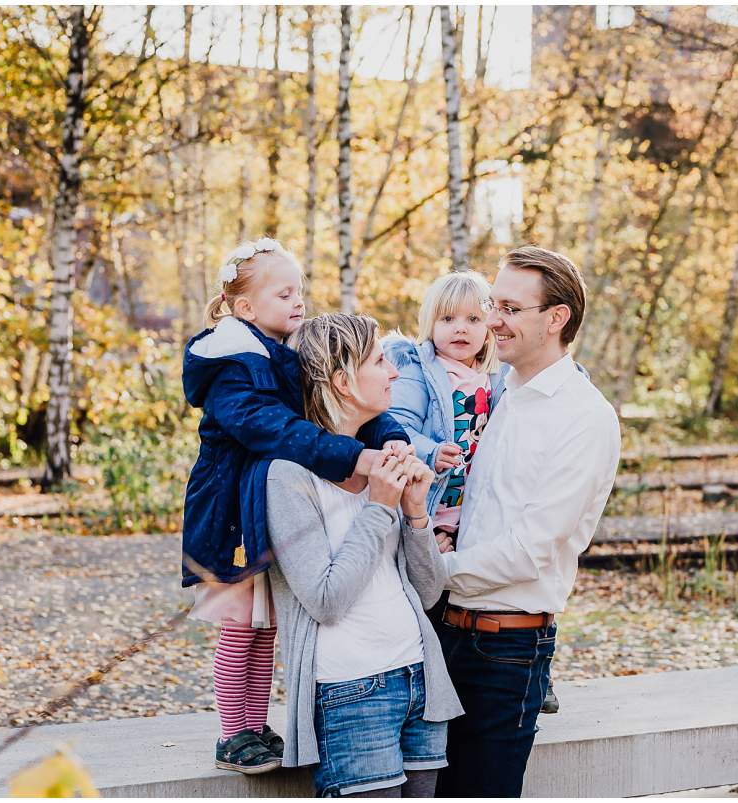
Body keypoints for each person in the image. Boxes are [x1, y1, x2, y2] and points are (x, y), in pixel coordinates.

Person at [180, 239, 411, 775]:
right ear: (244, 308)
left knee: (268, 626)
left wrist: (392, 435)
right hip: (232, 514)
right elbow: (276, 429)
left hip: (266, 508)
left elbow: (341, 402)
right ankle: (231, 732)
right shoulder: (232, 369)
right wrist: (353, 456)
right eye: (283, 293)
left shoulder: (284, 356)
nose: (297, 302)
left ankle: (255, 722)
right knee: (240, 627)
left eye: (299, 291)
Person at [417, 246, 622, 797]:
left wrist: (431, 569)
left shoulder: (583, 417)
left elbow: (531, 550)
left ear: (555, 319)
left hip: (505, 653)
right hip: (445, 631)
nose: (490, 320)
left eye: (508, 307)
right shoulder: (501, 395)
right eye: (492, 304)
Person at [262, 313, 464, 797]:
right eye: (379, 361)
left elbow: (429, 591)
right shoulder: (287, 476)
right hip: (350, 692)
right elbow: (326, 599)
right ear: (342, 381)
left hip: (421, 680)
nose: (394, 371)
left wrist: (415, 513)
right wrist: (379, 507)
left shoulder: (382, 457)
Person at [382, 271, 507, 626]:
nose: (461, 329)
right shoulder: (418, 371)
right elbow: (396, 427)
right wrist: (431, 452)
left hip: (467, 517)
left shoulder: (494, 379)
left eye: (473, 320)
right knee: (421, 605)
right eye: (448, 319)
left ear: (488, 330)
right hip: (425, 509)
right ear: (430, 324)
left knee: (452, 609)